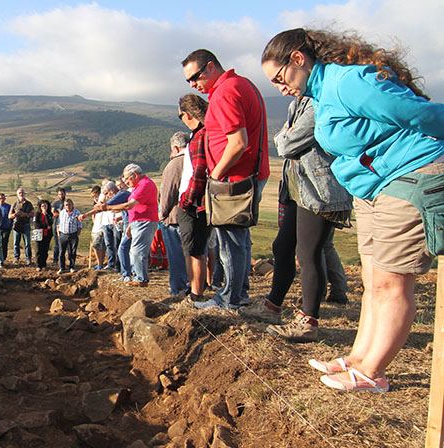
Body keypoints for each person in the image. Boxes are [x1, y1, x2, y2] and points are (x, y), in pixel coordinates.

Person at [260, 28, 444, 392]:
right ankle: (358, 358)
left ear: (299, 59)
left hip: (406, 178)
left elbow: (420, 113)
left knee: (393, 282)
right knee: (375, 280)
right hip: (373, 187)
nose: (280, 88)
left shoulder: (349, 82)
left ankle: (373, 372)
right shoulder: (323, 92)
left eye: (280, 78)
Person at [240, 96, 353, 342]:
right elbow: (289, 141)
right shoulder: (297, 104)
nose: (280, 87)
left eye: (280, 76)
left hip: (317, 188)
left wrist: (284, 136)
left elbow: (286, 146)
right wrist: (287, 136)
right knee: (282, 246)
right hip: (297, 186)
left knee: (309, 252)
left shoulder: (318, 103)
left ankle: (309, 321)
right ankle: (272, 307)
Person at [181, 49, 270, 310]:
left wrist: (216, 176)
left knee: (229, 243)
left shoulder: (225, 92)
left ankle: (230, 300)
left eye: (195, 77)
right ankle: (237, 295)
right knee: (238, 240)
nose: (193, 85)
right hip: (246, 175)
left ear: (210, 67)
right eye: (188, 81)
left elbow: (238, 142)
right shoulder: (242, 85)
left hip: (234, 179)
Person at [95, 164, 159, 287]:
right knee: (133, 251)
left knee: (137, 251)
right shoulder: (137, 186)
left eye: (126, 178)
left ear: (134, 175)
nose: (125, 181)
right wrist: (130, 224)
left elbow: (129, 205)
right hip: (137, 221)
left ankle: (141, 279)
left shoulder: (144, 185)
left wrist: (108, 207)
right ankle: (137, 276)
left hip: (145, 220)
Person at [177, 94, 212, 302]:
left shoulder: (200, 136)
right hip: (197, 201)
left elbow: (200, 171)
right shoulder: (200, 134)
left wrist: (187, 200)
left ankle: (196, 294)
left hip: (194, 203)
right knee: (193, 249)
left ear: (187, 114)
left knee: (194, 250)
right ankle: (194, 291)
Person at [160, 131, 191, 296]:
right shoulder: (196, 159)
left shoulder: (175, 164)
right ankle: (192, 286)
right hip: (193, 215)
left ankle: (178, 288)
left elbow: (168, 193)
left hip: (174, 217)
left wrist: (162, 214)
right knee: (192, 253)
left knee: (176, 255)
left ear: (175, 147)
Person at [109, 178, 133, 281]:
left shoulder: (127, 194)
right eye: (118, 186)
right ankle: (125, 273)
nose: (120, 187)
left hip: (131, 225)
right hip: (126, 224)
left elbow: (109, 206)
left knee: (124, 248)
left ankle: (128, 274)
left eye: (121, 185)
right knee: (123, 249)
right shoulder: (124, 195)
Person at [56, 198, 83, 273]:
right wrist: (59, 234)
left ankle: (72, 267)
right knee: (61, 252)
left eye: (69, 205)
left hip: (73, 235)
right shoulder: (62, 213)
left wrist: (77, 235)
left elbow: (80, 225)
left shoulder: (77, 213)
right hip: (63, 235)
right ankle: (62, 267)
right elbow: (58, 224)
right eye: (66, 205)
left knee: (72, 252)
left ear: (72, 205)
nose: (67, 206)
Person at [9, 188, 35, 265]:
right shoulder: (14, 204)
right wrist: (15, 214)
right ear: (17, 194)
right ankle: (16, 258)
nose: (21, 194)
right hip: (16, 225)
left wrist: (25, 214)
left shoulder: (29, 204)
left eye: (22, 192)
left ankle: (28, 259)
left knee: (27, 243)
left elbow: (33, 214)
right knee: (16, 243)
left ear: (25, 193)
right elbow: (9, 216)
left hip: (26, 225)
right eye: (20, 192)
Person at [100, 181, 121, 271]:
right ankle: (111, 264)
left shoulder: (119, 197)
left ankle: (118, 265)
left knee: (117, 244)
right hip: (106, 223)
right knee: (109, 245)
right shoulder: (106, 199)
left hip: (116, 223)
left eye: (107, 193)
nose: (107, 195)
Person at [32, 199, 54, 270]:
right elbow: (36, 224)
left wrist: (46, 215)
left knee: (45, 250)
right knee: (38, 250)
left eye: (45, 206)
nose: (44, 207)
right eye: (42, 206)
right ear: (40, 207)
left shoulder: (50, 214)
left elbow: (50, 224)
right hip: (38, 234)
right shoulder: (37, 214)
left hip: (47, 234)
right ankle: (38, 265)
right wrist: (45, 227)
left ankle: (44, 264)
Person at [51, 188, 66, 264]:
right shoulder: (55, 203)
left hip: (65, 226)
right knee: (56, 243)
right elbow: (53, 213)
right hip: (57, 225)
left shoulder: (67, 203)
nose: (61, 195)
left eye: (62, 194)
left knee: (64, 244)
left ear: (65, 194)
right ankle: (55, 259)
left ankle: (62, 259)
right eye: (59, 194)